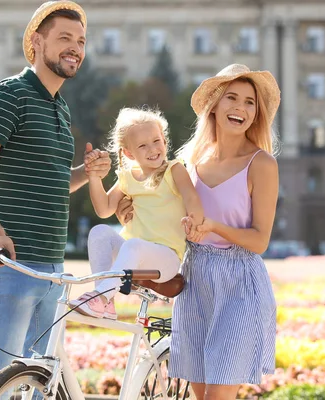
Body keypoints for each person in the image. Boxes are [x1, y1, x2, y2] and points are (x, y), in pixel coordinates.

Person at [0, 1, 111, 398]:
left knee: (40, 384)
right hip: (13, 265)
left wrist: (88, 173)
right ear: (37, 42)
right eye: (64, 38)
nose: (75, 48)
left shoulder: (59, 107)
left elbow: (57, 182)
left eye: (80, 41)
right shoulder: (12, 95)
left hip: (52, 270)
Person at [117, 64, 280, 400]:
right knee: (199, 395)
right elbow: (159, 209)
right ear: (215, 106)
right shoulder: (190, 160)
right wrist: (127, 210)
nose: (241, 108)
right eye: (231, 98)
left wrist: (215, 227)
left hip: (239, 284)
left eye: (250, 102)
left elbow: (260, 240)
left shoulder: (262, 164)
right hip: (195, 279)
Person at [69, 107, 204, 319]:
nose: (153, 149)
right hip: (134, 253)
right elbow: (104, 209)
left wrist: (194, 221)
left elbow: (192, 197)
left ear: (165, 142)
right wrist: (94, 177)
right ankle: (106, 302)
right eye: (143, 145)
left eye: (156, 141)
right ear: (129, 153)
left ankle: (101, 296)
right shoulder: (127, 177)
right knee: (99, 232)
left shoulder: (174, 169)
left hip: (166, 259)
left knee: (134, 245)